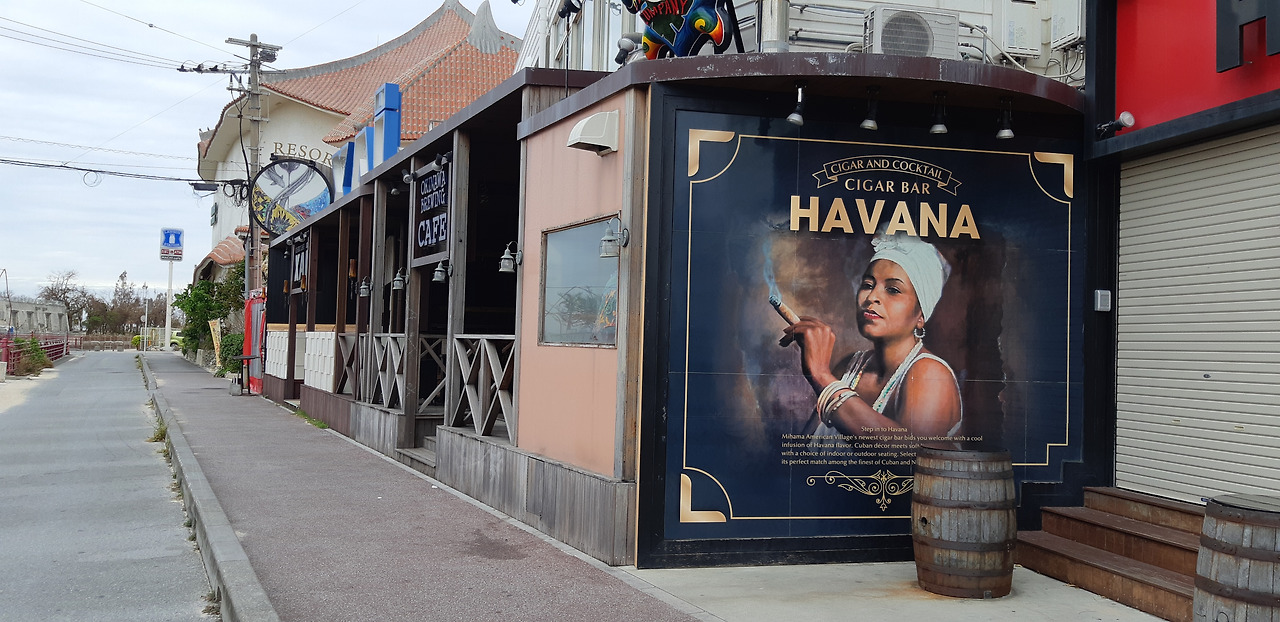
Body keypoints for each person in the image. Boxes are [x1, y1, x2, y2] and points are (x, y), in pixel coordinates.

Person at [783, 232, 962, 439]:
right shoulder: (849, 368)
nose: (872, 297)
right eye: (868, 285)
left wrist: (822, 375)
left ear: (920, 316)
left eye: (893, 289)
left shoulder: (931, 374)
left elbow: (912, 453)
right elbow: (806, 449)